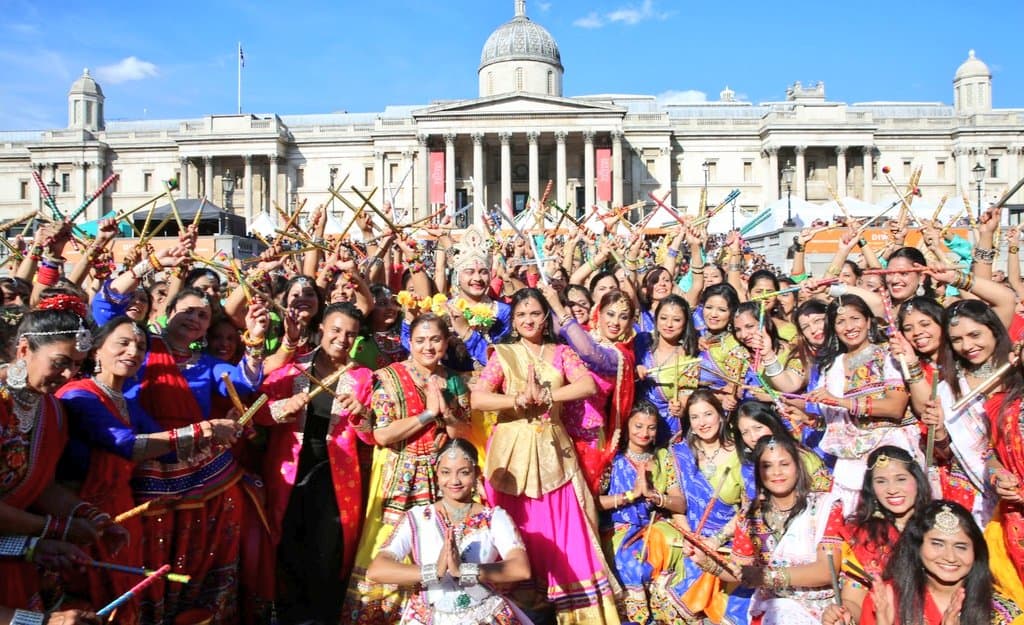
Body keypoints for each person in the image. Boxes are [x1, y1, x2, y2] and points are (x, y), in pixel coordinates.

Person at [58, 316, 241, 622]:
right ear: (96, 350)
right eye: (123, 343)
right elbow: (126, 444)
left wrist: (221, 435)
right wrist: (205, 429)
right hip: (79, 516)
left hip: (120, 518)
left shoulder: (128, 404)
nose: (133, 351)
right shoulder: (79, 395)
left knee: (121, 603)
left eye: (141, 346)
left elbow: (168, 454)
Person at [471, 288, 618, 623]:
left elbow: (587, 385)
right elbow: (478, 399)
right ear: (513, 320)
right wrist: (516, 401)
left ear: (545, 318)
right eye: (521, 315)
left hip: (554, 453)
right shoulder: (504, 354)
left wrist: (549, 397)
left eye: (535, 313)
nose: (528, 320)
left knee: (563, 532)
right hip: (511, 457)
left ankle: (574, 611)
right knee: (517, 528)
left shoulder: (561, 352)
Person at [0, 297, 129, 615]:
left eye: (77, 365)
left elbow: (40, 485)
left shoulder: (51, 410)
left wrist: (91, 517)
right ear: (24, 350)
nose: (69, 374)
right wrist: (56, 528)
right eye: (60, 362)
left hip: (17, 551)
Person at [345, 313, 471, 625]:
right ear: (409, 343)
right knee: (389, 545)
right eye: (420, 340)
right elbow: (382, 434)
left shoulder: (454, 380)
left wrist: (446, 411)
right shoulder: (389, 377)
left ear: (446, 343)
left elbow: (463, 433)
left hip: (440, 478)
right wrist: (428, 414)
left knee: (438, 546)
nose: (428, 347)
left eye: (435, 340)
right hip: (400, 476)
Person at [257, 302, 376, 625]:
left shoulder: (362, 378)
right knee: (287, 542)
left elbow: (371, 436)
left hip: (337, 476)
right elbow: (256, 414)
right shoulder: (293, 368)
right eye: (336, 330)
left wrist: (362, 415)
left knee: (329, 547)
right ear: (321, 328)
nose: (342, 339)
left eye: (350, 334)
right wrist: (282, 407)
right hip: (289, 472)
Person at [366, 438, 533, 625]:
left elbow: (521, 568)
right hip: (428, 617)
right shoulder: (416, 517)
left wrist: (464, 571)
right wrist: (434, 571)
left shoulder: (494, 518)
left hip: (485, 616)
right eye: (446, 472)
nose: (454, 481)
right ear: (436, 473)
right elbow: (377, 570)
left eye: (464, 472)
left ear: (477, 473)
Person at [698, 435, 845, 625]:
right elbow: (739, 570)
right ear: (758, 472)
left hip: (821, 611)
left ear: (798, 466)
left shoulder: (826, 507)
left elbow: (826, 571)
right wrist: (706, 562)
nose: (776, 472)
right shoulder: (750, 516)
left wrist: (766, 576)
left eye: (784, 464)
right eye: (767, 466)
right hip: (771, 608)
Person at [795, 295, 914, 513]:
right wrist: (805, 414)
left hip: (889, 450)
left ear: (868, 321)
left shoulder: (886, 355)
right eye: (840, 322)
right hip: (848, 461)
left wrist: (841, 402)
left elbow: (895, 407)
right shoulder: (831, 366)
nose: (849, 327)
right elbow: (833, 416)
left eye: (855, 319)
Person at [655, 390, 750, 625]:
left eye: (708, 414)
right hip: (690, 533)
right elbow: (677, 502)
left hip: (726, 536)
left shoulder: (741, 453)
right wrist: (690, 536)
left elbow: (747, 509)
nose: (702, 423)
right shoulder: (678, 453)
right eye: (695, 417)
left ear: (721, 415)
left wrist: (716, 539)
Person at [860, 501, 1021, 625]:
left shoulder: (1003, 611)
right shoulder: (887, 598)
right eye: (937, 544)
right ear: (917, 546)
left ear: (976, 552)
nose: (950, 557)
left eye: (961, 547)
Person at [822, 445, 932, 625]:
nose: (892, 489)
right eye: (881, 481)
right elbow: (854, 599)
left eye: (901, 479)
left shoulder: (936, 527)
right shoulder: (864, 537)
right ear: (871, 488)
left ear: (917, 480)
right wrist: (844, 614)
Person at [597, 402, 684, 623]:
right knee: (633, 562)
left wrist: (656, 496)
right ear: (626, 426)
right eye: (638, 426)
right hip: (618, 528)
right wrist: (631, 495)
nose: (644, 433)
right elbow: (595, 502)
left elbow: (680, 503)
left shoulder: (664, 457)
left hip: (654, 524)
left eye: (651, 427)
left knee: (675, 547)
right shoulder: (612, 458)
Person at [543, 286, 636, 492]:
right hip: (558, 426)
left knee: (581, 496)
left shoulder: (620, 356)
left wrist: (559, 307)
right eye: (610, 314)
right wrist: (542, 295)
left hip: (588, 436)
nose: (615, 322)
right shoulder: (581, 333)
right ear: (598, 313)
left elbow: (589, 352)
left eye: (623, 317)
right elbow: (548, 323)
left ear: (630, 322)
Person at [634, 295, 700, 445]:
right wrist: (633, 371)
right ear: (656, 319)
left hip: (666, 426)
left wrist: (679, 408)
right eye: (663, 318)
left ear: (685, 323)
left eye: (676, 320)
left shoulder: (688, 359)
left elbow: (684, 399)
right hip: (634, 421)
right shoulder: (641, 341)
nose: (669, 324)